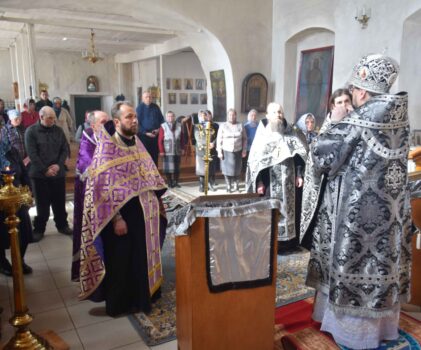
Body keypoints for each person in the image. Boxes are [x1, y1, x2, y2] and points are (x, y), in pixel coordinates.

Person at [302, 54, 411, 349]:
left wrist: (331, 124)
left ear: (362, 91)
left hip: (354, 219)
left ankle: (351, 334)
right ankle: (383, 329)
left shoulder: (357, 119)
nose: (351, 96)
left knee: (352, 266)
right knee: (379, 267)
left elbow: (324, 158)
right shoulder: (401, 120)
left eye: (352, 91)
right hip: (388, 216)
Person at [78, 101, 167, 317]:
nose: (134, 120)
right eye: (129, 117)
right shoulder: (107, 148)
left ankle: (143, 297)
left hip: (144, 213)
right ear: (117, 121)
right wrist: (117, 218)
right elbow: (101, 188)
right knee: (122, 261)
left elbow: (149, 174)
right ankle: (121, 304)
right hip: (120, 216)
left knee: (141, 256)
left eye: (135, 116)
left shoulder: (137, 142)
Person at [246, 102, 308, 250]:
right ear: (268, 115)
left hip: (290, 183)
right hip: (269, 183)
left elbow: (299, 156)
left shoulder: (291, 133)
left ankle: (290, 243)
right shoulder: (262, 136)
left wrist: (299, 174)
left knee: (290, 211)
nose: (278, 115)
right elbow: (255, 162)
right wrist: (259, 182)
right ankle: (271, 243)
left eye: (280, 112)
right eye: (274, 112)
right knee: (270, 212)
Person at [71, 110, 110, 282]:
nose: (108, 125)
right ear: (93, 125)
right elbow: (86, 163)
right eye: (104, 121)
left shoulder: (112, 136)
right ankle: (91, 270)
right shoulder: (88, 137)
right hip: (91, 193)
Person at [24, 106, 72, 242]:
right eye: (50, 118)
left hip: (58, 172)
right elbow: (32, 154)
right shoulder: (31, 131)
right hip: (40, 175)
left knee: (59, 202)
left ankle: (62, 225)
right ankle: (39, 229)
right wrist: (45, 170)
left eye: (54, 118)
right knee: (42, 204)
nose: (53, 120)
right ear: (41, 117)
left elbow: (64, 149)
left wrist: (58, 165)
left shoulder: (58, 130)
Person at [0, 133, 33, 276]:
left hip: (17, 198)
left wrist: (29, 191)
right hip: (1, 201)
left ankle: (20, 260)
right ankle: (2, 263)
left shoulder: (12, 150)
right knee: (1, 235)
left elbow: (24, 173)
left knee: (24, 231)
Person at [217, 108, 247, 193]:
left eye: (233, 115)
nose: (232, 116)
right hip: (226, 151)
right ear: (228, 116)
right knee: (227, 170)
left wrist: (244, 150)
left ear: (236, 115)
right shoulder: (223, 126)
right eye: (230, 115)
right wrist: (219, 151)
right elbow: (219, 140)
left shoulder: (241, 125)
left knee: (237, 169)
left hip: (238, 151)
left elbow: (245, 139)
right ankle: (228, 186)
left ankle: (236, 186)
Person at [192, 110, 219, 192]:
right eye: (201, 116)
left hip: (211, 150)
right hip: (201, 150)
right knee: (201, 169)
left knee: (210, 168)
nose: (203, 117)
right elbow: (198, 138)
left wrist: (213, 143)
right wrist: (208, 144)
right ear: (199, 117)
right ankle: (202, 185)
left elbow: (217, 136)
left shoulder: (212, 125)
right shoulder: (197, 126)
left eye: (205, 115)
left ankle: (210, 184)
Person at [136, 91, 165, 165]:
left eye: (150, 97)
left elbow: (161, 120)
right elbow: (137, 124)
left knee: (155, 155)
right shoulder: (139, 108)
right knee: (145, 157)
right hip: (144, 136)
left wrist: (159, 129)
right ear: (143, 99)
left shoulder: (156, 107)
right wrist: (146, 133)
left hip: (155, 135)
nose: (148, 99)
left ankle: (155, 174)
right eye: (146, 97)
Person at [158, 111, 185, 188]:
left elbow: (182, 138)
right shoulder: (163, 126)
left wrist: (183, 148)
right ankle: (169, 182)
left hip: (177, 149)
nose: (170, 118)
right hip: (167, 150)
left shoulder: (180, 125)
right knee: (168, 168)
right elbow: (160, 140)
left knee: (177, 167)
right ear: (166, 118)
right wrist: (161, 151)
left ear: (174, 117)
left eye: (172, 116)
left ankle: (176, 182)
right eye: (169, 116)